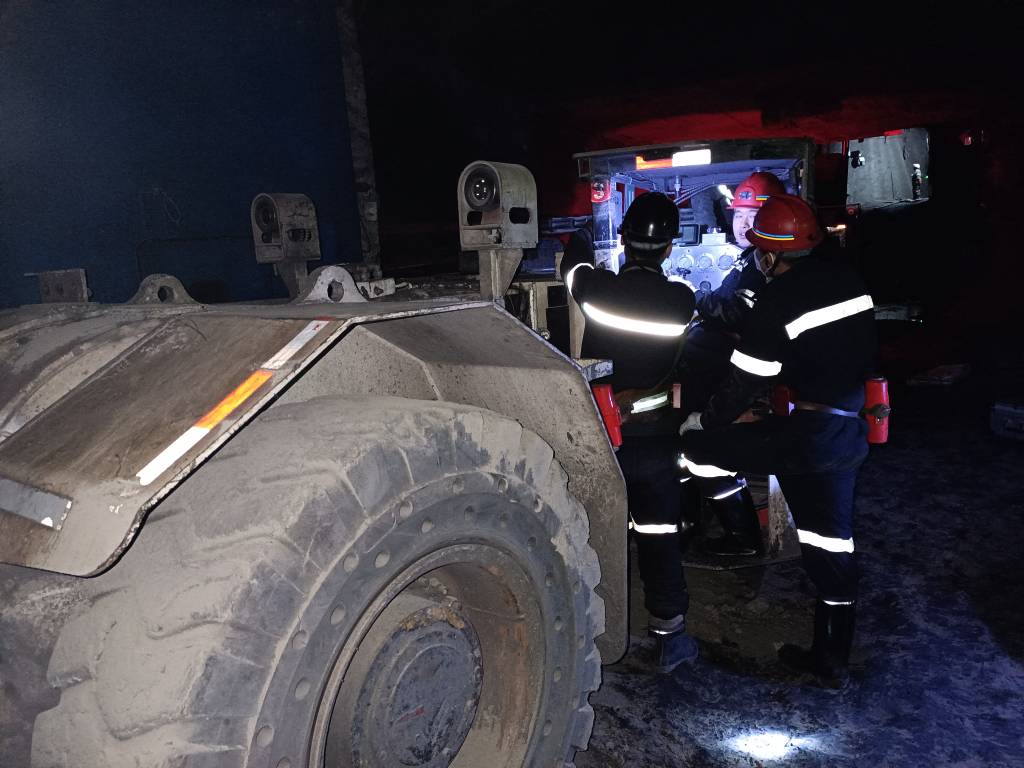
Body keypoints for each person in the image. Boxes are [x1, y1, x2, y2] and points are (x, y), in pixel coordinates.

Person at [679, 193, 876, 686]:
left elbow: (744, 382)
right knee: (833, 546)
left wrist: (704, 420)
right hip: (849, 427)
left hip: (809, 440)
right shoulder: (849, 279)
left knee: (697, 451)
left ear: (768, 257)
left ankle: (742, 537)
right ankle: (832, 659)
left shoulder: (777, 300)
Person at [561, 192, 698, 672]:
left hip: (605, 439)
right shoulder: (681, 300)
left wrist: (583, 232)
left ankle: (594, 632)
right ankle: (670, 637)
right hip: (657, 440)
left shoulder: (595, 290)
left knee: (598, 533)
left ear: (623, 242)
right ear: (669, 248)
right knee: (659, 535)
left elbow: (573, 267)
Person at [681, 171, 787, 556]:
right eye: (739, 215)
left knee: (702, 450)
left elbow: (734, 313)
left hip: (747, 382)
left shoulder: (763, 266)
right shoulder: (753, 260)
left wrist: (693, 299)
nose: (742, 223)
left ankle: (742, 539)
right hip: (733, 377)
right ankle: (700, 520)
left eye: (752, 216)